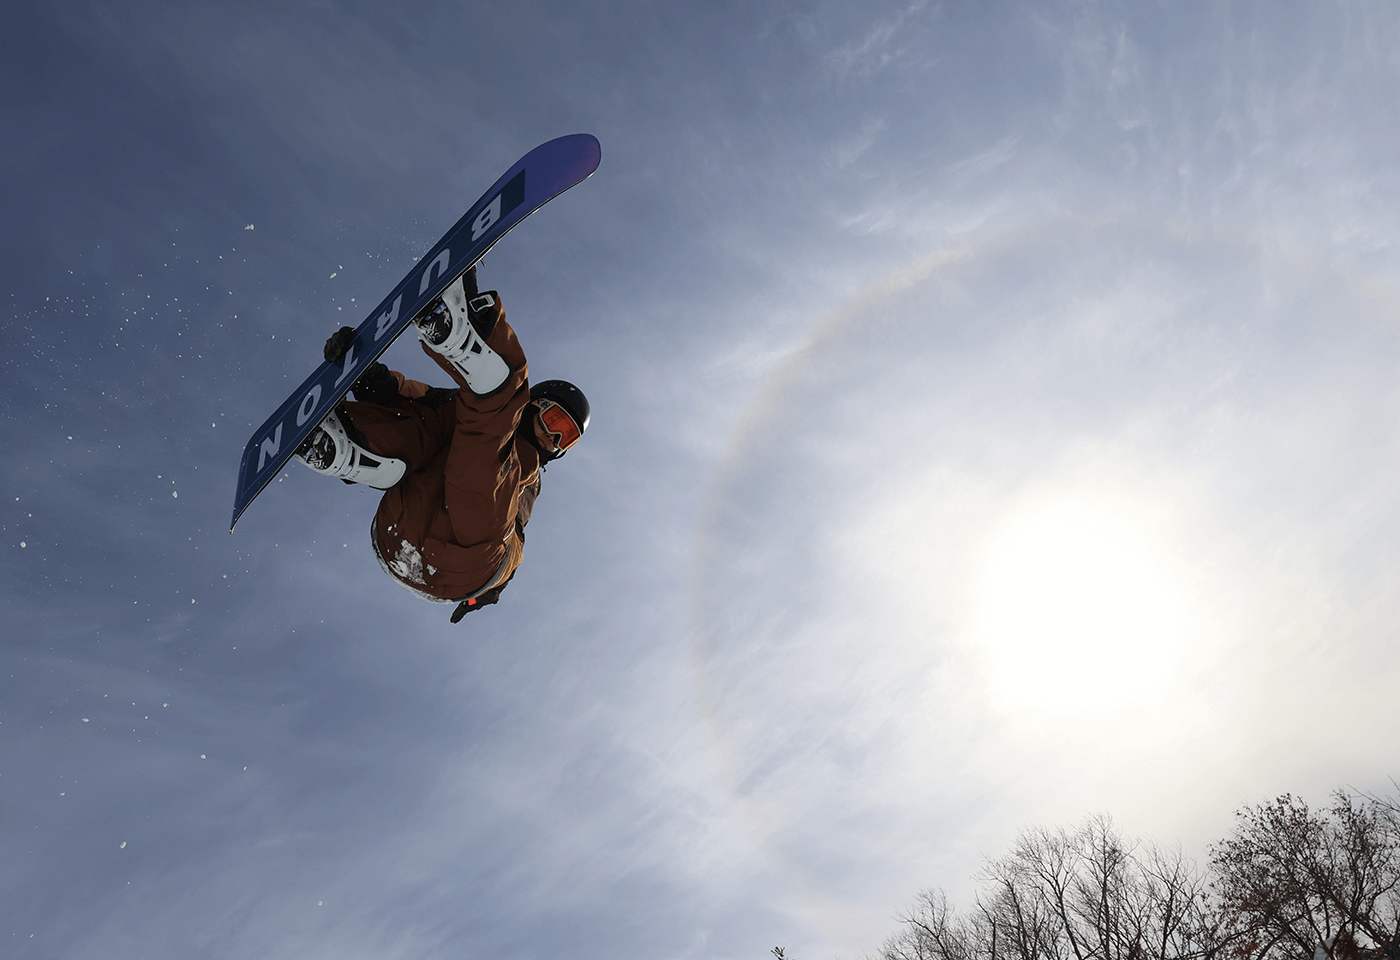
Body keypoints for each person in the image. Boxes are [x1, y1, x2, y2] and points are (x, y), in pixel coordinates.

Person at [293, 266, 589, 622]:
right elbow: (412, 400)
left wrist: (484, 594)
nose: (553, 438)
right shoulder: (461, 412)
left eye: (565, 438)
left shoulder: (526, 478)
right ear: (537, 406)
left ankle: (475, 344)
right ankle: (349, 444)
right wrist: (370, 379)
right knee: (441, 414)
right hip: (398, 530)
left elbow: (510, 531)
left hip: (467, 563)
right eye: (555, 421)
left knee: (488, 425)